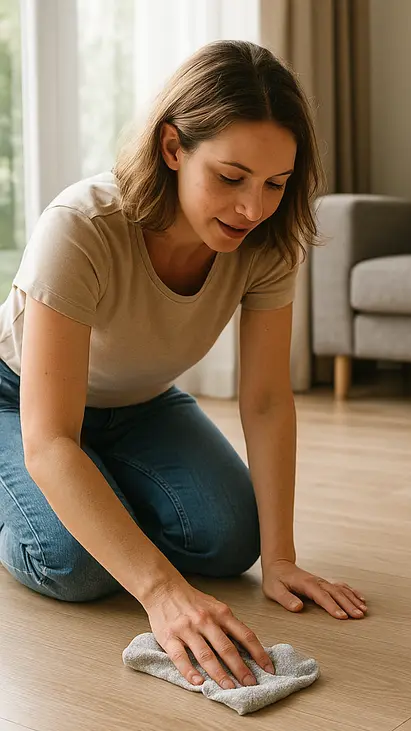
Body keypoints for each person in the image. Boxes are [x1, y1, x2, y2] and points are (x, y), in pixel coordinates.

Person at [0, 40, 366, 691]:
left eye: (275, 184)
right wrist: (162, 591)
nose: (253, 208)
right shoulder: (81, 226)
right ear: (173, 148)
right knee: (75, 567)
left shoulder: (267, 242)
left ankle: (100, 487)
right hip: (21, 399)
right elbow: (52, 438)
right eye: (231, 178)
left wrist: (280, 558)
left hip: (138, 401)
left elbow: (265, 400)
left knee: (231, 541)